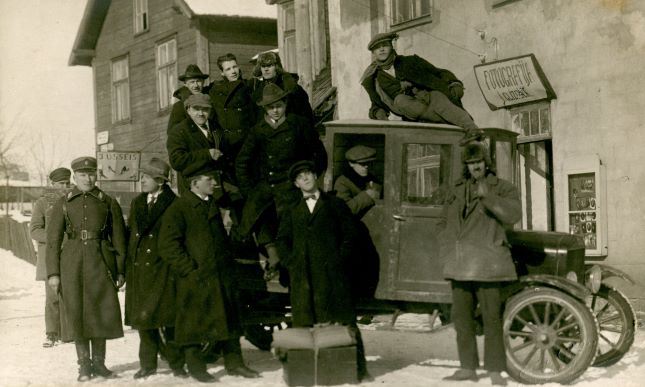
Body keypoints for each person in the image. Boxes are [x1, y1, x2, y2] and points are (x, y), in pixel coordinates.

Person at [158, 163, 260, 383]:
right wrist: (190, 270)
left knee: (229, 321)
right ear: (195, 183)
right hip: (195, 278)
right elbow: (167, 245)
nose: (215, 183)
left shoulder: (211, 204)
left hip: (221, 275)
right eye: (209, 179)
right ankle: (196, 367)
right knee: (193, 325)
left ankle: (235, 364)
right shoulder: (179, 208)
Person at [276, 160, 368, 380]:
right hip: (304, 279)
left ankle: (358, 370)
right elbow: (282, 239)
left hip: (332, 278)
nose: (305, 179)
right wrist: (291, 263)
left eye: (308, 174)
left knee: (343, 323)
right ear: (297, 184)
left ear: (315, 177)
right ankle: (309, 372)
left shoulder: (335, 204)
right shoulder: (291, 209)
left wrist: (339, 260)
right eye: (300, 177)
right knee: (305, 327)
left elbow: (350, 235)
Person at [439, 142, 521, 386]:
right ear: (465, 165)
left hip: (489, 263)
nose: (475, 166)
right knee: (462, 318)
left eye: (478, 162)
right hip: (459, 263)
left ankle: (495, 369)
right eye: (470, 163)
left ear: (487, 163)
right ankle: (467, 367)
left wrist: (489, 197)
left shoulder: (503, 188)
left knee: (491, 318)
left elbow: (513, 215)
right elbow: (443, 222)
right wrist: (446, 250)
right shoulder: (456, 189)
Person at [46, 156, 127, 382]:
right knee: (76, 312)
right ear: (75, 177)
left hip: (101, 262)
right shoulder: (64, 202)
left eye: (91, 174)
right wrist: (53, 272)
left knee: (99, 312)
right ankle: (83, 365)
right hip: (71, 264)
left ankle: (99, 364)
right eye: (82, 175)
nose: (87, 178)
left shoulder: (107, 202)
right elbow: (53, 240)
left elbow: (119, 239)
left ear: (96, 175)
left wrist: (120, 270)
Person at [235, 83, 327, 277]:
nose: (275, 111)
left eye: (278, 105)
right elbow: (242, 162)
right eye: (270, 107)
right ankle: (272, 254)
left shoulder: (299, 125)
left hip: (293, 188)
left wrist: (310, 181)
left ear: (285, 104)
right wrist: (248, 190)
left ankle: (291, 271)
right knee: (257, 212)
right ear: (264, 109)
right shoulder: (258, 130)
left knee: (294, 228)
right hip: (266, 187)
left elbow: (318, 154)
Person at [124, 158, 186, 379]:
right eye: (142, 177)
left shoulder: (174, 203)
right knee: (144, 322)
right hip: (140, 271)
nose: (141, 180)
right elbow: (131, 234)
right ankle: (147, 364)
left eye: (146, 177)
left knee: (169, 321)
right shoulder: (138, 202)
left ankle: (177, 364)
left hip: (164, 271)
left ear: (160, 181)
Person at [360, 32, 483, 144]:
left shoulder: (411, 61)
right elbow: (376, 103)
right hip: (413, 112)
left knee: (441, 101)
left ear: (391, 46)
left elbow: (438, 72)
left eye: (385, 45)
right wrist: (378, 113)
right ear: (373, 53)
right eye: (377, 47)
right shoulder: (374, 79)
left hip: (430, 97)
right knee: (401, 101)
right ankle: (456, 129)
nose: (381, 49)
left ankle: (472, 130)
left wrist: (454, 83)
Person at [30, 167, 71, 348]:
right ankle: (52, 333)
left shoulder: (74, 200)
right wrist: (54, 236)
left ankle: (69, 332)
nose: (64, 186)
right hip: (49, 256)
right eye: (60, 183)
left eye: (66, 183)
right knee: (52, 296)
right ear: (52, 184)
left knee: (70, 294)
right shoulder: (42, 203)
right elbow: (35, 230)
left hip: (70, 255)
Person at [208, 53, 257, 181]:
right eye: (228, 69)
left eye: (234, 67)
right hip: (228, 145)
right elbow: (212, 118)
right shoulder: (215, 90)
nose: (233, 71)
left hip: (247, 141)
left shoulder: (248, 87)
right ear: (222, 73)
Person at [167, 93, 226, 196]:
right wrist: (207, 154)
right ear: (188, 110)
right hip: (194, 190)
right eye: (196, 109)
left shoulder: (216, 127)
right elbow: (177, 160)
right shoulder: (179, 131)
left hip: (220, 187)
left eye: (205, 109)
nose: (201, 113)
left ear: (210, 110)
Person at [251, 51, 314, 125]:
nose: (266, 69)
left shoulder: (291, 87)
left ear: (277, 67)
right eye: (263, 66)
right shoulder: (258, 90)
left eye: (270, 65)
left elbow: (305, 115)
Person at [167, 64, 210, 133]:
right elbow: (172, 132)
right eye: (192, 82)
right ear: (185, 84)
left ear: (203, 82)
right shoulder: (179, 106)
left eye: (198, 81)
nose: (195, 85)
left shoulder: (209, 101)